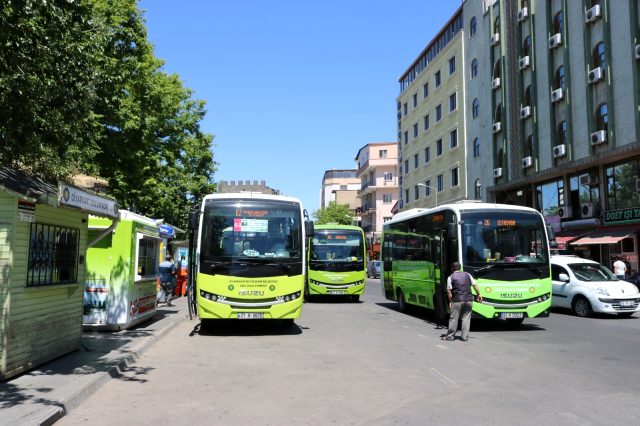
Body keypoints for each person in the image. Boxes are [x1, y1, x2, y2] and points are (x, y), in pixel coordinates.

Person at [442, 261, 483, 342]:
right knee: (466, 318)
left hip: (457, 300)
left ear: (452, 269)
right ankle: (464, 337)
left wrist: (450, 301)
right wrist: (479, 295)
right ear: (460, 268)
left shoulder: (450, 277)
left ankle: (450, 336)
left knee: (454, 318)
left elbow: (449, 292)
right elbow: (475, 285)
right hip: (469, 300)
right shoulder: (467, 274)